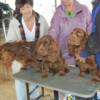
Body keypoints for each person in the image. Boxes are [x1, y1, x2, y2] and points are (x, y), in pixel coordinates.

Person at [48, 0, 91, 99]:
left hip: (82, 57)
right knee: (64, 89)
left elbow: (90, 29)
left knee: (82, 90)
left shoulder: (84, 9)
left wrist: (87, 51)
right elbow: (53, 30)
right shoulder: (58, 12)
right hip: (64, 58)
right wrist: (49, 42)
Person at [6, 0, 48, 100]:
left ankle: (35, 97)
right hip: (20, 57)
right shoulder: (14, 21)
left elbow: (47, 37)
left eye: (28, 7)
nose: (26, 11)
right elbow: (9, 41)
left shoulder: (41, 19)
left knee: (35, 77)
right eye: (22, 8)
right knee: (20, 79)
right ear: (19, 10)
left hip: (37, 56)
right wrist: (17, 42)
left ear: (32, 6)